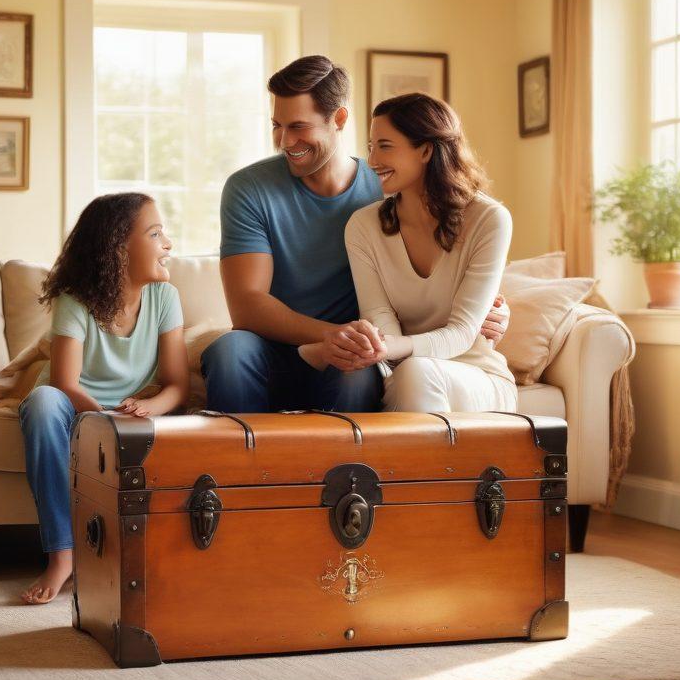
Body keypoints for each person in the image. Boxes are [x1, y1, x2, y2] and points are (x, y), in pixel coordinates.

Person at [201, 55, 508, 413]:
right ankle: (238, 467)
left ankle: (343, 469)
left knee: (357, 371)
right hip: (279, 347)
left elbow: (450, 266)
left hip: (355, 352)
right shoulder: (249, 189)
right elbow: (247, 306)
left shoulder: (391, 188)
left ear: (339, 119)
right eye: (276, 125)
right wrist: (333, 335)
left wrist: (493, 309)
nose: (284, 141)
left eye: (298, 126)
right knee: (230, 351)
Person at [18, 193, 188, 604]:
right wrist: (107, 421)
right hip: (70, 406)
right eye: (155, 233)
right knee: (41, 403)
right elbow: (63, 382)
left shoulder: (165, 299)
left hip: (130, 411)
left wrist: (149, 409)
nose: (168, 243)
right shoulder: (75, 299)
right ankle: (62, 557)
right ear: (118, 248)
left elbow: (177, 385)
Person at [307, 93, 518, 413]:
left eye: (385, 146)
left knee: (416, 374)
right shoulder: (363, 227)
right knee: (407, 374)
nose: (372, 160)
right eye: (370, 147)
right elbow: (378, 317)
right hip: (400, 372)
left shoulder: (489, 220)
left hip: (476, 375)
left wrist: (389, 348)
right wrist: (378, 347)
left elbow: (463, 333)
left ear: (426, 150)